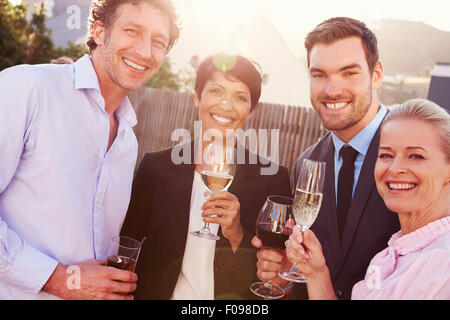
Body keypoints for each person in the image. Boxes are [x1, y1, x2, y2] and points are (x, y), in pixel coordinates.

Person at [0, 0, 179, 300]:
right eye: (132, 31)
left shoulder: (127, 140)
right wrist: (60, 279)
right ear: (99, 32)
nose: (145, 51)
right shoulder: (27, 89)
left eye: (158, 42)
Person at [120, 55, 292, 300]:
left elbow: (274, 280)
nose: (226, 105)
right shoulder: (155, 168)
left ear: (251, 109)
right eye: (216, 91)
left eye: (240, 97)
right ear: (197, 97)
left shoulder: (273, 179)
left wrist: (236, 234)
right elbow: (127, 245)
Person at [253, 17, 400, 300]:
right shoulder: (306, 164)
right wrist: (287, 276)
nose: (332, 90)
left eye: (348, 73)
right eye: (319, 75)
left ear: (376, 74)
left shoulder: (415, 155)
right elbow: (307, 275)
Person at [286, 99, 450, 299]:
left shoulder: (441, 264)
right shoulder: (394, 254)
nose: (394, 168)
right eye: (386, 155)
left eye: (416, 156)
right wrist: (317, 273)